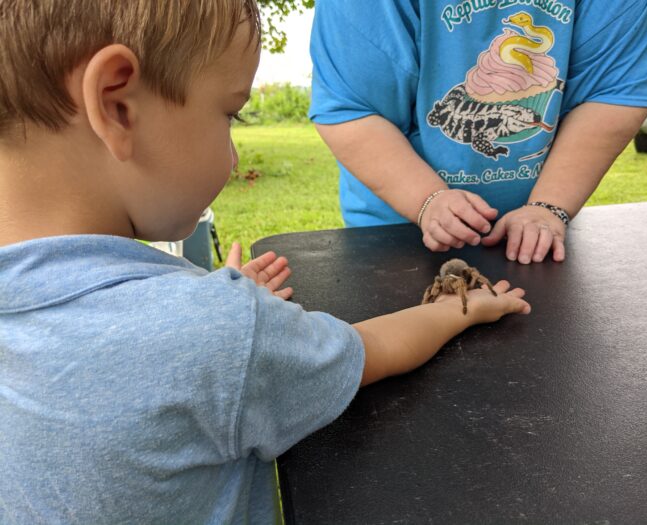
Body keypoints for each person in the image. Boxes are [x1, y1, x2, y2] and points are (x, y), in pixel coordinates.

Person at [0, 1, 531, 523]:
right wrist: (462, 309)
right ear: (117, 105)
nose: (233, 156)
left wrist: (206, 301)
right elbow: (372, 350)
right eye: (230, 112)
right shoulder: (216, 332)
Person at [309, 0, 647, 264]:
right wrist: (428, 200)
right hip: (394, 233)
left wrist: (547, 207)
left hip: (537, 236)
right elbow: (351, 108)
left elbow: (615, 92)